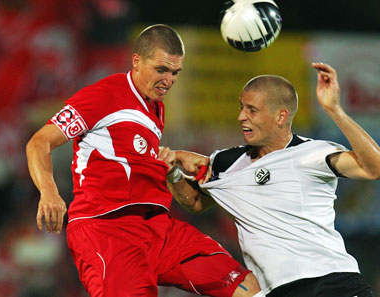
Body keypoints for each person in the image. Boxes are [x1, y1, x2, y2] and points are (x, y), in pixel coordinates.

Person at [26, 24, 264, 297]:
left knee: (245, 286)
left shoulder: (155, 108)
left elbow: (131, 158)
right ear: (136, 61)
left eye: (175, 72)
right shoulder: (104, 95)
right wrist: (49, 191)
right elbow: (39, 142)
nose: (169, 80)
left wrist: (172, 164)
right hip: (109, 230)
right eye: (161, 70)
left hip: (158, 228)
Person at [158, 62, 380, 297]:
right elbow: (195, 202)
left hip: (333, 283)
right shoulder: (225, 163)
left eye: (252, 110)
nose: (241, 117)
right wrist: (174, 174)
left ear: (281, 117)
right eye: (241, 108)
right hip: (278, 291)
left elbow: (376, 168)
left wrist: (334, 110)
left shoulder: (312, 154)